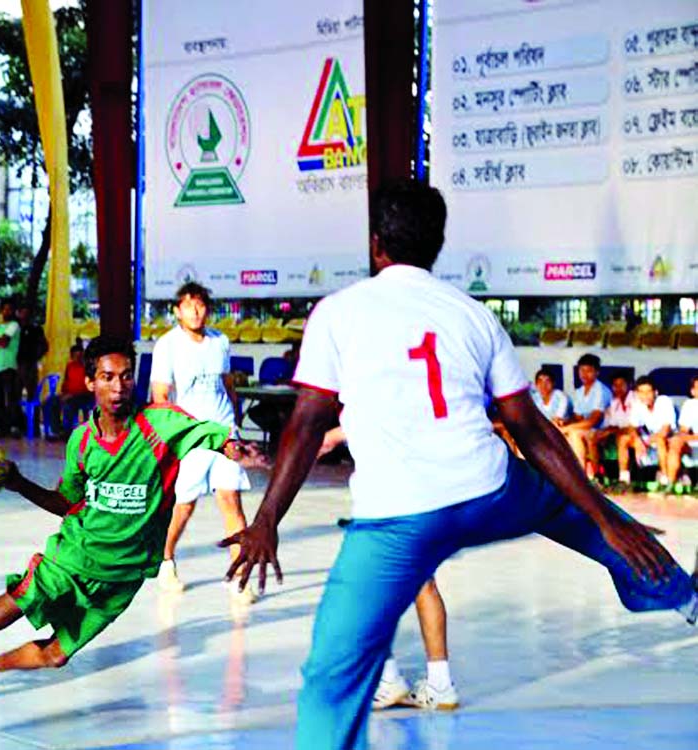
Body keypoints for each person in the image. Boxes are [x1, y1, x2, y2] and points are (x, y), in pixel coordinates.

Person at [223, 180, 698, 750]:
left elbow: (304, 424)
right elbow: (532, 429)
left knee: (333, 678)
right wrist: (605, 516)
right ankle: (679, 593)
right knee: (566, 508)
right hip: (488, 488)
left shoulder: (338, 313)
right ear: (438, 245)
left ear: (376, 245)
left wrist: (268, 517)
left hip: (397, 519)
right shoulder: (472, 315)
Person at [0, 335, 261, 724]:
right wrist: (19, 482)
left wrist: (234, 448)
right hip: (72, 558)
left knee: (56, 656)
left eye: (127, 376)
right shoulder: (83, 442)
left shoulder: (162, 425)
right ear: (91, 381)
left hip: (123, 578)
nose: (119, 387)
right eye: (107, 377)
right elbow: (66, 503)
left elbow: (217, 438)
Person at [319, 427, 459, 711]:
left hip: (387, 495)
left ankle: (388, 679)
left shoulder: (375, 390)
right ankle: (439, 683)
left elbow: (368, 413)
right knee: (423, 583)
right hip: (421, 492)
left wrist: (329, 437)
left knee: (366, 587)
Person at [150, 282, 258, 603]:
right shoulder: (167, 345)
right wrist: (172, 437)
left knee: (231, 501)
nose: (195, 312)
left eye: (200, 305)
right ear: (177, 311)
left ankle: (239, 576)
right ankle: (166, 561)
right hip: (191, 438)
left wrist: (234, 427)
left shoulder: (219, 341)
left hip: (224, 432)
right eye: (188, 306)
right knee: (184, 506)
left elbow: (228, 386)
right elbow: (160, 396)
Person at [616, 376, 677, 489]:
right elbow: (632, 427)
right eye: (641, 392)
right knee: (624, 439)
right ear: (637, 394)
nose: (645, 396)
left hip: (668, 439)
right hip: (648, 440)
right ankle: (623, 479)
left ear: (655, 392)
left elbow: (665, 430)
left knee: (659, 440)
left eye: (648, 392)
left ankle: (664, 480)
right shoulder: (637, 404)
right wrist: (638, 441)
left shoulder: (664, 401)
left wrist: (645, 443)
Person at [561, 354, 611, 476]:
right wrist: (565, 422)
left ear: (597, 372)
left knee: (574, 433)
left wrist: (565, 428)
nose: (584, 374)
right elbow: (578, 417)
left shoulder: (601, 390)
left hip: (603, 431)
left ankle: (587, 476)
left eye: (589, 371)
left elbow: (592, 422)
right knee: (570, 434)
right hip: (585, 429)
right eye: (581, 370)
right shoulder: (579, 392)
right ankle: (576, 475)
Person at [587, 374, 636, 480]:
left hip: (635, 433)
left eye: (621, 385)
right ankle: (598, 476)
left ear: (629, 385)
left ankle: (624, 479)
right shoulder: (614, 402)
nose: (618, 388)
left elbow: (634, 426)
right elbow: (611, 424)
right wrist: (602, 433)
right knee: (592, 437)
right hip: (617, 433)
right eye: (615, 385)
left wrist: (611, 431)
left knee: (620, 438)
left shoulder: (636, 399)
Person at [0, 298, 22, 436]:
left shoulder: (14, 325)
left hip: (8, 366)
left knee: (11, 398)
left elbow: (4, 343)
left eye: (10, 309)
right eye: (5, 309)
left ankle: (14, 425)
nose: (7, 311)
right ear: (1, 310)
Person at [45, 342, 94, 437]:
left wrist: (70, 395)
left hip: (83, 395)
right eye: (76, 356)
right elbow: (66, 382)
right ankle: (57, 430)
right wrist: (64, 393)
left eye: (80, 356)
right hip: (69, 394)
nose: (78, 358)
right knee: (50, 402)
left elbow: (87, 387)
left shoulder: (87, 367)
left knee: (68, 405)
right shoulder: (70, 366)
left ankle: (67, 432)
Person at [665, 375, 698, 492]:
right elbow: (683, 430)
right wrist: (680, 437)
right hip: (693, 443)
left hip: (694, 439)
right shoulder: (690, 405)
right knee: (675, 443)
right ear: (693, 391)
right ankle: (670, 484)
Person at [16, 301, 49, 417]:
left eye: (26, 313)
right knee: (15, 395)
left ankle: (34, 425)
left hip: (29, 365)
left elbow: (44, 346)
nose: (24, 315)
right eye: (22, 313)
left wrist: (35, 357)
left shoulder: (36, 329)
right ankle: (19, 423)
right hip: (15, 364)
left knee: (32, 395)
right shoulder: (14, 328)